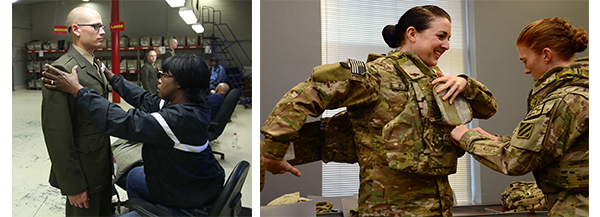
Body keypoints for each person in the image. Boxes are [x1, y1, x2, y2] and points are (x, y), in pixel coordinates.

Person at [260, 5, 497, 216]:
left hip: (439, 207)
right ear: (412, 33)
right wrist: (273, 151)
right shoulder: (376, 75)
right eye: (441, 36)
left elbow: (487, 109)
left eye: (449, 38)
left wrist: (467, 83)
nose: (446, 45)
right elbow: (303, 96)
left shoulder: (437, 81)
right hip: (389, 210)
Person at [42, 54, 225, 216]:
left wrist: (78, 90)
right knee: (136, 177)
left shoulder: (180, 119)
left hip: (190, 206)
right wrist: (112, 77)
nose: (159, 80)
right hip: (190, 186)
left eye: (164, 75)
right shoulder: (186, 105)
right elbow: (144, 99)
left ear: (181, 83)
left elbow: (121, 121)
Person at [450, 17, 588, 216]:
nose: (525, 70)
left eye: (525, 60)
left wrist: (467, 137)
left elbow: (515, 161)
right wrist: (498, 141)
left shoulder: (564, 100)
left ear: (546, 55)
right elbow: (551, 147)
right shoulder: (585, 88)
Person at [40, 6, 112, 216]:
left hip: (100, 162)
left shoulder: (94, 64)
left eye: (102, 26)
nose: (102, 31)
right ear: (76, 29)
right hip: (84, 170)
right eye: (96, 26)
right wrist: (73, 185)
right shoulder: (62, 69)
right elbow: (57, 133)